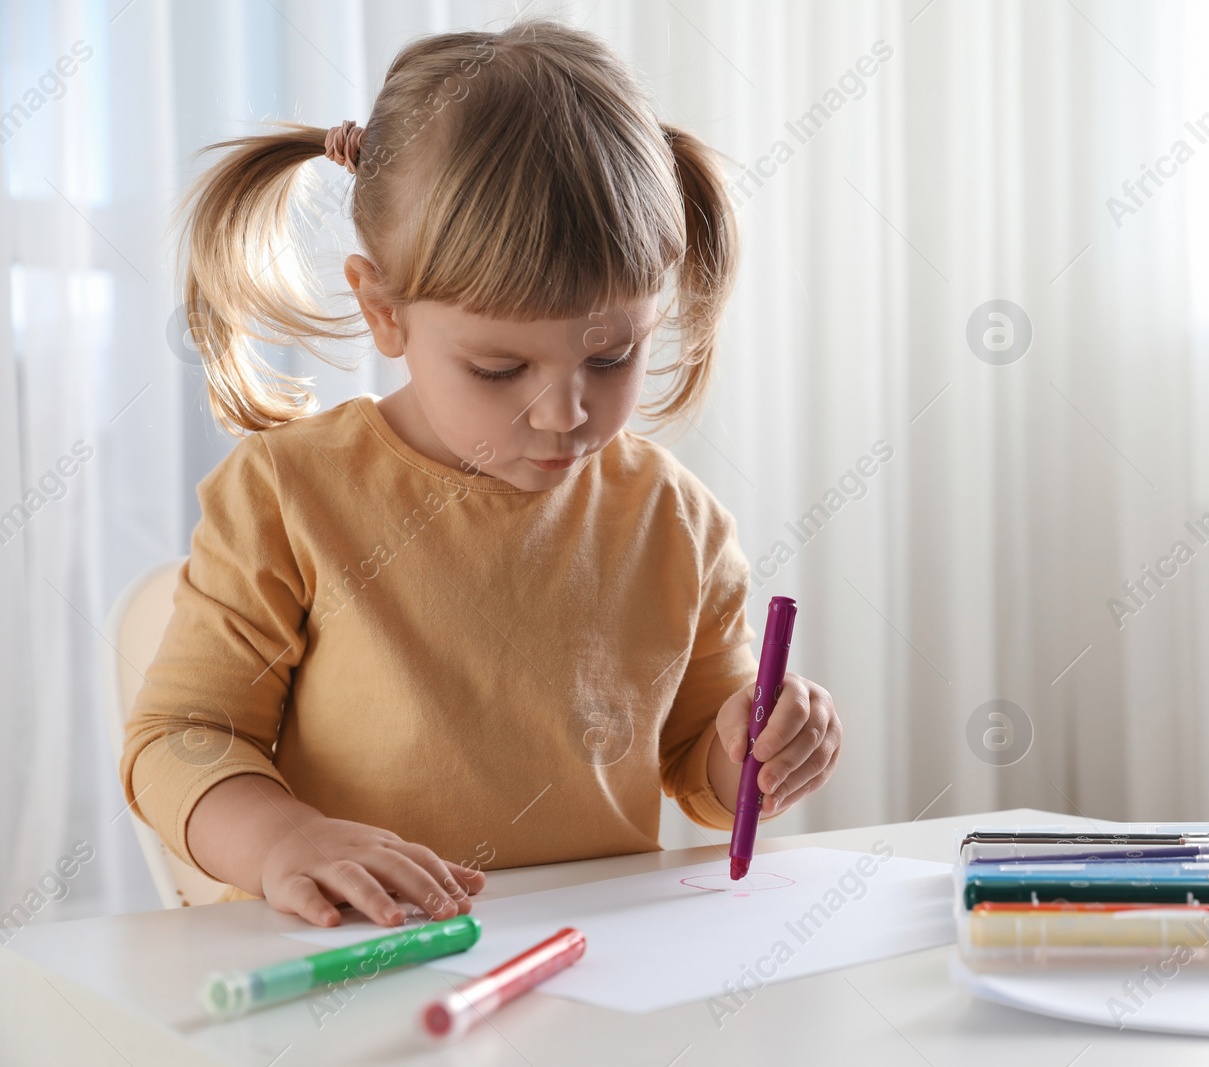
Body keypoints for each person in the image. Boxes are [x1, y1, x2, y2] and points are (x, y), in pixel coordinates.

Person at [120, 18, 841, 928]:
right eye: (500, 370)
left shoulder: (676, 521)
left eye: (613, 356)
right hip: (358, 965)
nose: (564, 414)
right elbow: (180, 738)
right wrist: (281, 840)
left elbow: (702, 769)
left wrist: (759, 750)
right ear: (383, 310)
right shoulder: (287, 496)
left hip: (588, 970)